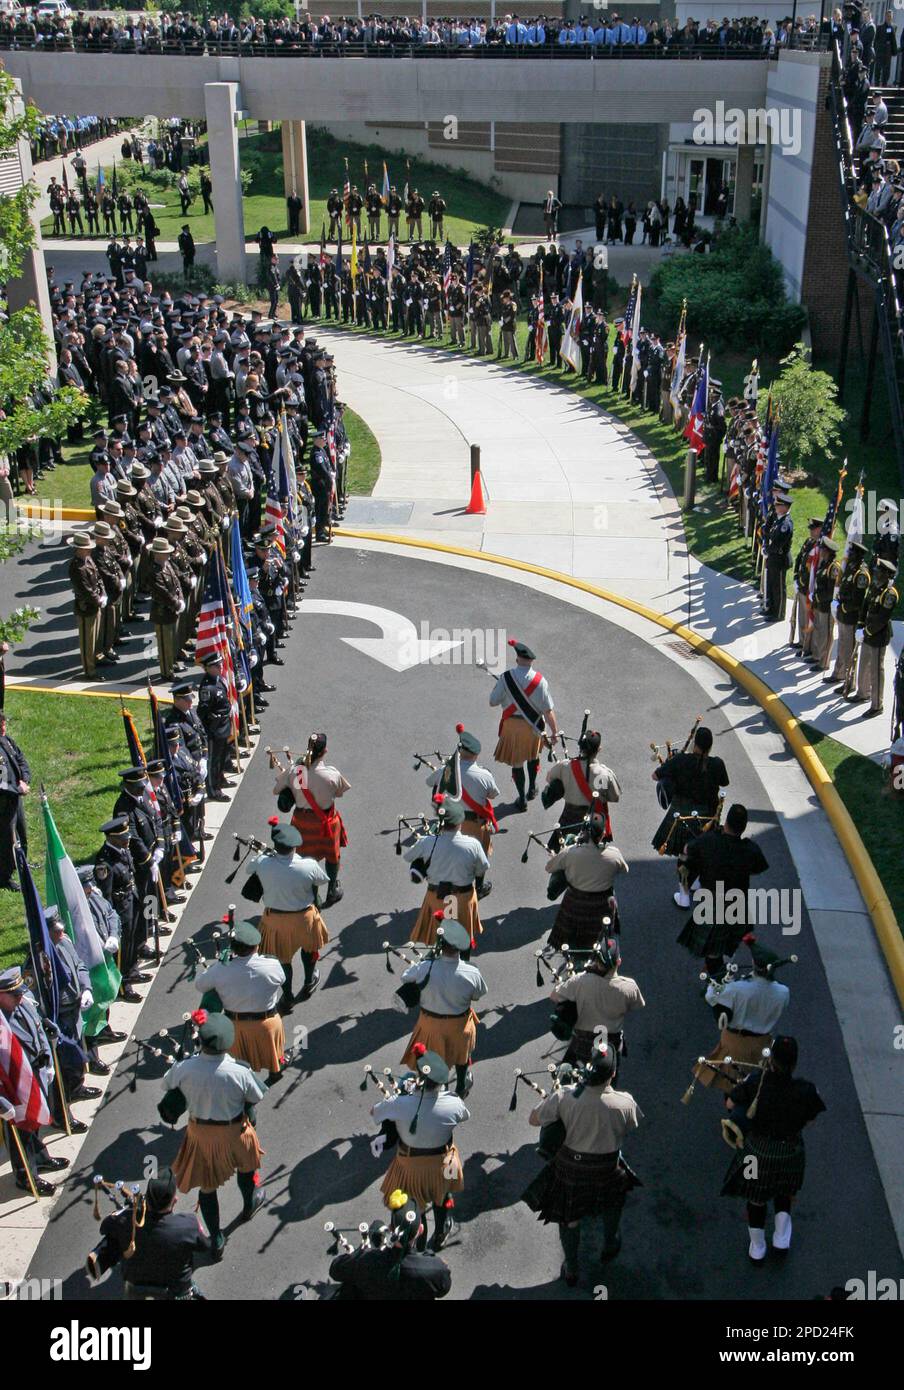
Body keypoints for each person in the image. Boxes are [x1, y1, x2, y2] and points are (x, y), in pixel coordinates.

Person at [523, 1044, 642, 1284]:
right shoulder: (626, 1102)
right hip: (608, 1168)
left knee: (570, 1218)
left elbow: (534, 1119)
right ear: (613, 1074)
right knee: (612, 1204)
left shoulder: (565, 1095)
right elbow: (633, 1125)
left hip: (571, 1169)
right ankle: (610, 1244)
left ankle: (572, 1267)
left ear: (588, 1069)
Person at [162, 1011, 265, 1262]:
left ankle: (216, 1237)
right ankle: (249, 1204)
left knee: (207, 1187)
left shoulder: (184, 1069)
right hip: (235, 1131)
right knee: (246, 1169)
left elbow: (167, 1085)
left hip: (202, 1134)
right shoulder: (239, 1071)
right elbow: (256, 1097)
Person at [721, 1035, 825, 1261]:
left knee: (754, 1196)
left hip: (755, 1153)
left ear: (771, 1059)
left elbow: (730, 1103)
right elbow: (810, 1120)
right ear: (794, 1064)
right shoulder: (806, 1090)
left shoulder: (756, 1082)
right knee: (784, 1191)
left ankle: (757, 1248)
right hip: (790, 1152)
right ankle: (781, 1240)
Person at [371, 1046, 468, 1250]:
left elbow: (375, 1113)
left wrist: (404, 1095)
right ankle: (441, 1231)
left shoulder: (398, 1103)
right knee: (443, 1196)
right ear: (441, 1082)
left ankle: (420, 1244)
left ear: (419, 1078)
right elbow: (464, 1115)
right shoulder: (454, 1103)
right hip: (443, 1162)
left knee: (415, 1207)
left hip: (410, 1164)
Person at [692, 934, 792, 1096]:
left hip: (735, 1042)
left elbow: (711, 997)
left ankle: (735, 1114)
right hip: (762, 1043)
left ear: (754, 963)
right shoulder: (784, 992)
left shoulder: (738, 989)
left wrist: (719, 983)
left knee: (732, 1085)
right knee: (755, 1084)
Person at [675, 802, 769, 971]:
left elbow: (688, 850)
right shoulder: (750, 850)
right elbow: (758, 868)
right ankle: (723, 961)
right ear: (744, 827)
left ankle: (715, 980)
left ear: (726, 823)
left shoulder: (708, 841)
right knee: (731, 937)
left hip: (711, 901)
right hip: (737, 902)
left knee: (713, 949)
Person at [400, 918, 487, 1097]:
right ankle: (461, 1087)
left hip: (430, 1025)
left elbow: (405, 977)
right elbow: (478, 995)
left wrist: (428, 959)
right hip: (460, 1025)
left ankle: (438, 1092)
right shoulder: (472, 972)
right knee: (461, 1058)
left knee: (432, 1063)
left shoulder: (425, 968)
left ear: (439, 944)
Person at [94, 1166, 210, 1300]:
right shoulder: (188, 1225)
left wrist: (129, 1213)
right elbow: (204, 1246)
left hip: (136, 1290)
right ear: (174, 1200)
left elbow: (104, 1228)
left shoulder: (123, 1221)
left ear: (146, 1198)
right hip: (175, 1290)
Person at [247, 822, 329, 1013]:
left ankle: (288, 995)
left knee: (283, 961)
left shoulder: (262, 862)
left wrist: (264, 855)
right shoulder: (308, 865)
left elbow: (249, 870)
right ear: (295, 846)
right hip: (305, 919)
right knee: (309, 951)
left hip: (275, 922)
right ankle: (309, 981)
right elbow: (323, 880)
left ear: (275, 845)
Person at [194, 919, 285, 1083]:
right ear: (256, 946)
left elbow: (200, 985)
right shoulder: (272, 964)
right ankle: (275, 1072)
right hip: (267, 1022)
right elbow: (282, 979)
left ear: (233, 948)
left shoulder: (220, 969)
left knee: (239, 1065)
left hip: (235, 1026)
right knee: (273, 1052)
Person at [271, 732, 349, 906]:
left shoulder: (296, 771)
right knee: (332, 855)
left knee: (305, 859)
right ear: (325, 751)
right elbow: (339, 792)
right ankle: (332, 890)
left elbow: (276, 791)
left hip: (302, 823)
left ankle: (312, 894)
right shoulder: (331, 774)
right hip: (326, 822)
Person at [328, 1191, 451, 1300]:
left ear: (391, 1228)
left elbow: (335, 1270)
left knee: (376, 1226)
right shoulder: (436, 1269)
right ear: (421, 1230)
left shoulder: (365, 1260)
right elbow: (443, 1290)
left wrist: (358, 1253)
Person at [652, 725, 729, 898]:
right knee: (702, 851)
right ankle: (697, 883)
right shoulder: (717, 763)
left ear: (694, 743)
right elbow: (724, 782)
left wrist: (671, 771)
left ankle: (684, 895)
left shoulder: (680, 760)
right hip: (708, 816)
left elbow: (655, 776)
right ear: (710, 745)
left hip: (683, 815)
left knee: (685, 854)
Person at [404, 796, 489, 947]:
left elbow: (408, 856)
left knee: (440, 938)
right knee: (463, 940)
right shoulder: (473, 844)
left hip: (436, 897)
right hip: (464, 898)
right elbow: (482, 869)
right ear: (460, 822)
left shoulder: (427, 842)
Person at [549, 937, 644, 1067]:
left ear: (597, 962)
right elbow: (638, 1004)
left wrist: (565, 983)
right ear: (619, 961)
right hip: (610, 1044)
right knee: (608, 1072)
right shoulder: (629, 986)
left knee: (567, 1072)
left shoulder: (579, 981)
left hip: (581, 1041)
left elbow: (554, 996)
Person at [490, 638, 559, 812]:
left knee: (517, 764)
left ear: (517, 659)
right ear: (531, 660)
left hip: (512, 728)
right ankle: (532, 788)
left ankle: (521, 799)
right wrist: (554, 732)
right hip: (533, 727)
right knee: (533, 757)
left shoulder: (505, 678)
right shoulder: (540, 681)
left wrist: (500, 690)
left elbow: (493, 701)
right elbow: (548, 710)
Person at [546, 812, 628, 950]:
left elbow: (549, 868)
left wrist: (557, 856)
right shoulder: (614, 854)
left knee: (569, 944)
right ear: (603, 833)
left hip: (574, 902)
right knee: (602, 944)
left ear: (583, 832)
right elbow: (625, 869)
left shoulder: (569, 852)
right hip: (603, 903)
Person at [543, 727, 620, 851]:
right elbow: (614, 797)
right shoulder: (605, 774)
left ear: (581, 748)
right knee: (593, 857)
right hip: (594, 822)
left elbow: (549, 778)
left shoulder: (565, 766)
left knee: (560, 854)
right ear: (598, 749)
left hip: (568, 817)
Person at [850, 557, 898, 716]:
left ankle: (877, 705)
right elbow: (865, 606)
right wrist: (859, 624)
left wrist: (866, 631)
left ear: (886, 575)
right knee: (863, 664)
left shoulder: (889, 594)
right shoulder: (875, 587)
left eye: (879, 572)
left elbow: (882, 619)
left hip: (878, 637)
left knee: (876, 671)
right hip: (867, 633)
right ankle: (862, 693)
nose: (876, 574)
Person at [196, 653, 233, 799]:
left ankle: (221, 779)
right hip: (214, 730)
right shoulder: (207, 688)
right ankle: (213, 790)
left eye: (220, 664)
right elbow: (202, 712)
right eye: (217, 665)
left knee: (223, 757)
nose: (221, 667)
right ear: (208, 668)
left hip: (223, 726)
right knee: (214, 760)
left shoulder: (219, 680)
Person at [762, 489, 794, 621]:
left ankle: (779, 613)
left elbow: (778, 543)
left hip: (779, 559)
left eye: (777, 505)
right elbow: (769, 534)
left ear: (785, 507)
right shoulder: (779, 520)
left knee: (779, 588)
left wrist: (768, 550)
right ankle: (772, 609)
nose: (775, 507)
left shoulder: (785, 524)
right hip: (773, 558)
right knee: (772, 585)